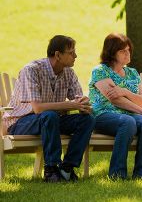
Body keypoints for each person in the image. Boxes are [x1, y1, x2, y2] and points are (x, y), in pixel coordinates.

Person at [3, 35, 95, 182]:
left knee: (87, 120)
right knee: (49, 115)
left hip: (51, 121)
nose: (75, 56)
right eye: (71, 52)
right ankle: (51, 169)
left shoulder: (69, 73)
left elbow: (79, 102)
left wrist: (84, 105)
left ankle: (67, 168)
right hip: (20, 123)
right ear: (57, 55)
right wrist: (71, 104)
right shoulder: (31, 70)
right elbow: (38, 108)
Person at [89, 33, 142, 179]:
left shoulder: (132, 73)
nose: (127, 54)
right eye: (122, 51)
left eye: (128, 50)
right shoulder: (100, 71)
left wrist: (124, 91)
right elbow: (115, 100)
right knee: (129, 121)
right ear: (111, 52)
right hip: (103, 115)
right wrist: (141, 111)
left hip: (129, 115)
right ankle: (117, 174)